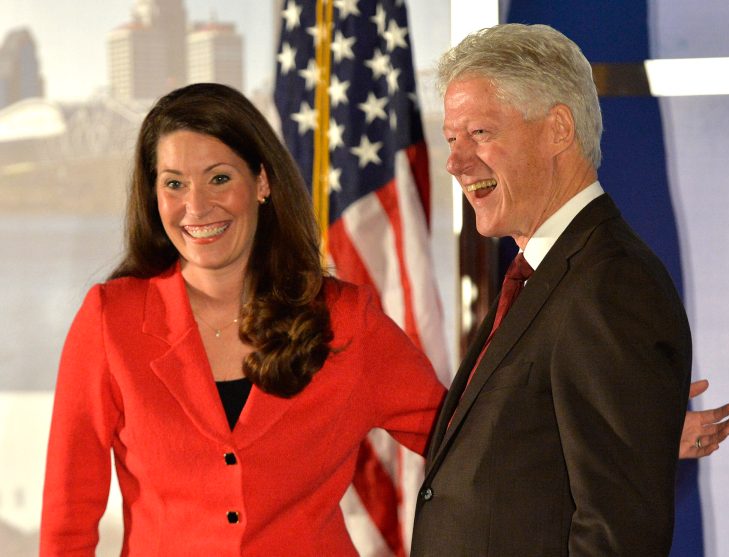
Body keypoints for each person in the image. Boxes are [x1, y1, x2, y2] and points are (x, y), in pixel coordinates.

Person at [39, 82, 446, 556]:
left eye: (218, 178)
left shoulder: (344, 319)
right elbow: (68, 517)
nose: (196, 206)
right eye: (174, 183)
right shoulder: (111, 321)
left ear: (262, 182)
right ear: (153, 195)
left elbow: (463, 443)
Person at [410, 23, 728, 556]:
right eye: (451, 139)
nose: (455, 162)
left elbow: (618, 536)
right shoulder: (544, 276)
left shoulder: (610, 286)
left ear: (558, 129)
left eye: (481, 133)